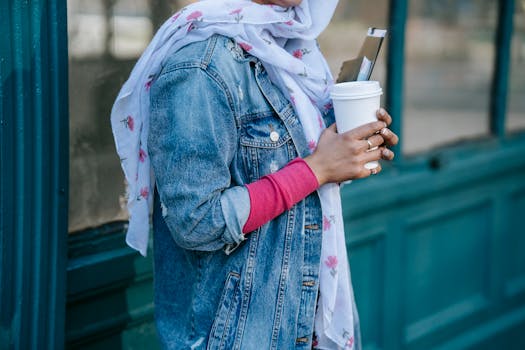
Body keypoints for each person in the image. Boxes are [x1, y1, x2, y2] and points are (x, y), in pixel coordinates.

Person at [111, 0, 399, 349]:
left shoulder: (288, 49)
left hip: (298, 322)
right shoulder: (198, 67)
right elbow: (197, 221)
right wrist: (317, 168)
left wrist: (347, 150)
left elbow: (295, 177)